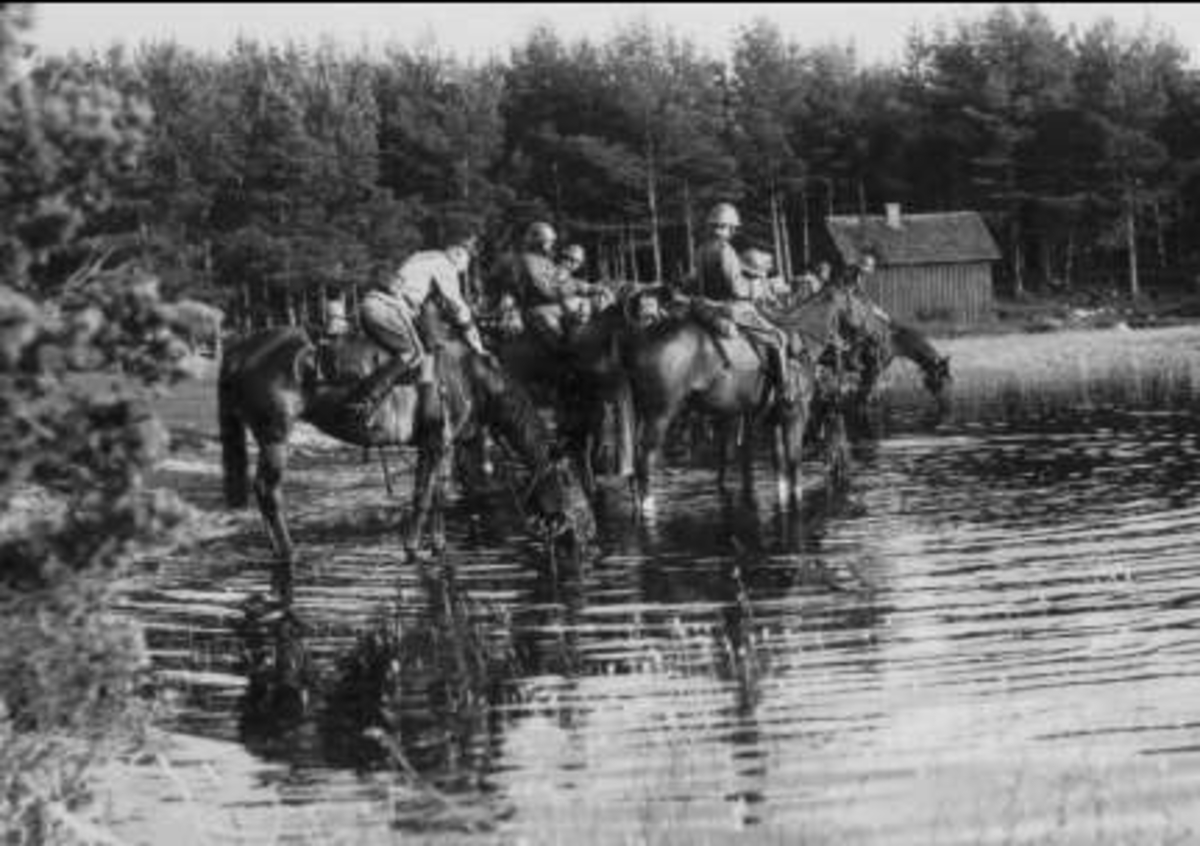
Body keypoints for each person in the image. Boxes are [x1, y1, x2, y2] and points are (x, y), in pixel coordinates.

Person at [345, 237, 486, 419]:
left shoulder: (424, 256)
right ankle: (362, 400)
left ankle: (379, 405)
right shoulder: (444, 264)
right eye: (467, 261)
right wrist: (477, 344)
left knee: (402, 361)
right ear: (458, 253)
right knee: (414, 353)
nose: (465, 269)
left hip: (374, 304)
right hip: (389, 307)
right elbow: (456, 304)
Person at [695, 202, 795, 404]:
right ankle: (784, 390)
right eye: (732, 227)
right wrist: (762, 286)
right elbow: (736, 288)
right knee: (779, 337)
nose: (733, 231)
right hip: (732, 308)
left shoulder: (702, 249)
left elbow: (701, 284)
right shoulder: (726, 250)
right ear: (728, 227)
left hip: (705, 306)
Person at [515, 222, 609, 349]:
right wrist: (574, 289)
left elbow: (563, 281)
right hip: (540, 309)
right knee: (562, 343)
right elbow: (545, 290)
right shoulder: (528, 261)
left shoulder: (545, 261)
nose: (551, 244)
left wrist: (589, 288)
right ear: (539, 242)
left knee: (595, 307)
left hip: (555, 305)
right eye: (548, 241)